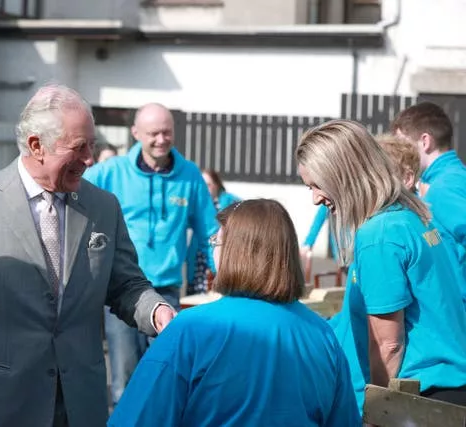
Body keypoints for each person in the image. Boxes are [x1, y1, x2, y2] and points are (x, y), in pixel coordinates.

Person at [0, 84, 175, 427]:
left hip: (79, 404)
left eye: (93, 145)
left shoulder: (103, 207)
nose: (89, 159)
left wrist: (157, 310)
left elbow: (126, 284)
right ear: (36, 145)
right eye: (79, 147)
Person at [109, 199, 361, 426]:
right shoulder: (323, 334)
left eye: (216, 242)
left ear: (236, 252)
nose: (213, 250)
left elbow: (136, 418)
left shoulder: (190, 329)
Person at [297, 119, 466, 410]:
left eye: (317, 185)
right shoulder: (410, 214)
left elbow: (388, 345)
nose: (315, 199)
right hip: (444, 386)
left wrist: (378, 412)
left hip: (421, 397)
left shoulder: (380, 234)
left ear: (344, 174)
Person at [83, 103, 218, 407]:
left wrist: (222, 276)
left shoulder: (189, 175)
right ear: (135, 134)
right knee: (124, 379)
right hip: (120, 294)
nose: (161, 139)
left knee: (167, 378)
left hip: (167, 291)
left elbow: (210, 231)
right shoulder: (111, 172)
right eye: (153, 133)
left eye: (167, 132)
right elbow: (74, 201)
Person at [391, 102, 466, 290]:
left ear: (425, 141)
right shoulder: (456, 176)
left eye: (403, 144)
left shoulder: (442, 188)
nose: (400, 153)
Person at [185, 168, 239, 295]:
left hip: (222, 256)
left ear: (217, 185)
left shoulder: (231, 204)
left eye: (208, 185)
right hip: (200, 258)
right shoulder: (196, 205)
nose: (204, 189)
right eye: (201, 185)